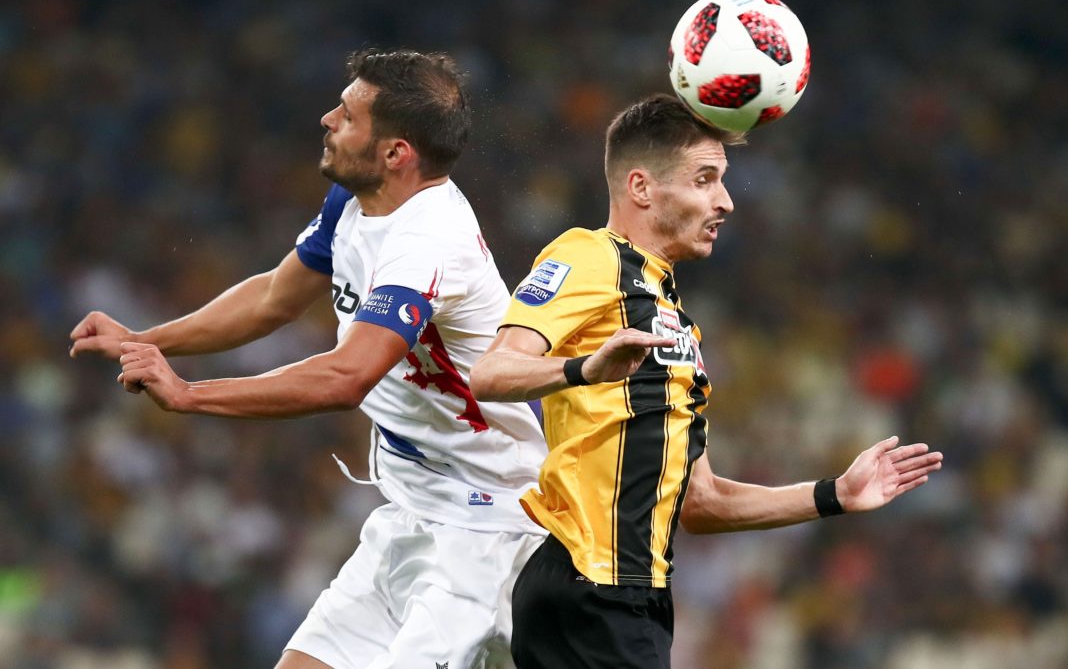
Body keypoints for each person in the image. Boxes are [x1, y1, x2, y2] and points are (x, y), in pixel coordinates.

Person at [69, 48, 547, 669]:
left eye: (347, 116)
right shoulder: (356, 202)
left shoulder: (428, 242)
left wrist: (189, 394)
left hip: (487, 528)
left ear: (395, 153)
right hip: (411, 512)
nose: (327, 119)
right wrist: (147, 339)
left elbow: (346, 377)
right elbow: (274, 297)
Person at [468, 93, 944, 669]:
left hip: (631, 597)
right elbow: (490, 373)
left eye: (722, 179)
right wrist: (582, 369)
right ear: (641, 187)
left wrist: (834, 494)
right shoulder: (591, 257)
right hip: (592, 588)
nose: (726, 200)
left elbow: (702, 502)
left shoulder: (671, 316)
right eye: (704, 180)